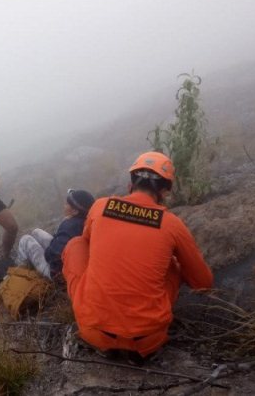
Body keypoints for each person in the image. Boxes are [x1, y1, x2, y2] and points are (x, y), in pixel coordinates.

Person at [62, 151, 213, 359]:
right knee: (171, 264)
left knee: (76, 244)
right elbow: (203, 282)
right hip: (148, 340)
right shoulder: (171, 224)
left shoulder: (100, 206)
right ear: (164, 191)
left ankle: (96, 310)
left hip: (94, 333)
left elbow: (87, 242)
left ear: (130, 185)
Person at [14, 189, 95, 279]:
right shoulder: (86, 222)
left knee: (25, 240)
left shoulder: (69, 226)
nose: (64, 206)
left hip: (57, 273)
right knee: (36, 232)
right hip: (71, 262)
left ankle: (19, 275)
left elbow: (52, 255)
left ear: (75, 211)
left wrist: (47, 250)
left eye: (67, 204)